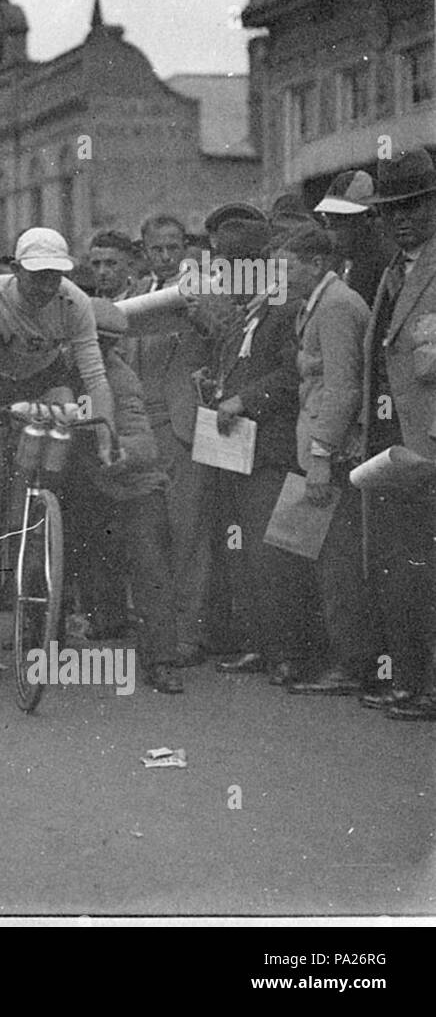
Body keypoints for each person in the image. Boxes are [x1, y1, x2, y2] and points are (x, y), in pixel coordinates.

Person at [0, 227, 115, 664]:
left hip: (44, 380)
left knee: (62, 419)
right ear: (16, 269)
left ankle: (38, 520)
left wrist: (105, 436)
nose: (47, 286)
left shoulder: (74, 302)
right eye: (37, 276)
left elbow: (95, 377)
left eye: (55, 276)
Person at [268, 226, 376, 698]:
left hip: (331, 454)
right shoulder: (322, 302)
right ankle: (331, 658)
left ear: (314, 264)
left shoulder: (334, 306)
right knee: (314, 559)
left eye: (286, 264)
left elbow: (343, 387)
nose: (279, 273)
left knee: (338, 568)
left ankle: (350, 665)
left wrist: (319, 457)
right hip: (320, 450)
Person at [205, 219, 315, 685]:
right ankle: (260, 644)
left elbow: (293, 376)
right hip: (239, 452)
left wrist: (243, 400)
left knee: (274, 556)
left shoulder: (286, 311)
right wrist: (216, 384)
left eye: (230, 268)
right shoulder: (247, 315)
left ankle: (285, 652)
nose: (222, 278)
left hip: (271, 452)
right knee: (246, 552)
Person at [118, 212, 229, 660]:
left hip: (183, 424)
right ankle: (158, 630)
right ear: (144, 251)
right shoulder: (133, 295)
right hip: (142, 425)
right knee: (149, 531)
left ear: (186, 246)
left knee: (189, 533)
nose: (165, 257)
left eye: (173, 247)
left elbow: (230, 342)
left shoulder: (209, 288)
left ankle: (189, 634)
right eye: (156, 249)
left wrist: (203, 318)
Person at [63, 300, 183, 693]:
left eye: (98, 344)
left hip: (132, 487)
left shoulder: (121, 379)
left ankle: (162, 660)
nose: (87, 350)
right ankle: (42, 633)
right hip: (80, 484)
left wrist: (120, 452)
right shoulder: (54, 370)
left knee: (149, 563)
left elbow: (145, 444)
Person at [358, 148, 436, 721]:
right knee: (402, 570)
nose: (402, 218)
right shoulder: (393, 273)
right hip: (391, 444)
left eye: (415, 205)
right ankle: (410, 681)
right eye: (392, 209)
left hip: (428, 444)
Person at [313, 170, 399, 309]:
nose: (331, 226)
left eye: (340, 217)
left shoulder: (389, 262)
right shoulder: (340, 262)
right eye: (327, 216)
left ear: (367, 217)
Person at [87, 230, 137, 300]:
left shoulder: (146, 301)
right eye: (96, 264)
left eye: (111, 264)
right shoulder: (84, 306)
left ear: (130, 266)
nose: (102, 272)